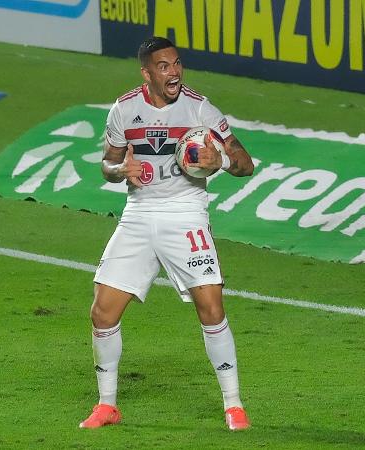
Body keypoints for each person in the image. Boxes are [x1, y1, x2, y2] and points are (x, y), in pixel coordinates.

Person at [80, 36, 254, 431]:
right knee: (102, 312)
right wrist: (119, 171)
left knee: (211, 307)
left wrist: (221, 159)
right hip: (138, 214)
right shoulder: (124, 109)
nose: (173, 72)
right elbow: (106, 165)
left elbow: (247, 163)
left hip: (186, 214)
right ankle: (107, 405)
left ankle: (234, 404)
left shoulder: (199, 108)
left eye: (177, 64)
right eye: (163, 66)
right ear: (147, 73)